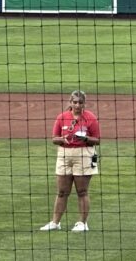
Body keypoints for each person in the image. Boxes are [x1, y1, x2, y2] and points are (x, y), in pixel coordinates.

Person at [40, 90, 100, 232]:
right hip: (64, 154)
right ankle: (55, 223)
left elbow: (97, 139)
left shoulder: (90, 118)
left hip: (85, 154)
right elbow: (54, 138)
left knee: (82, 191)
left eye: (80, 102)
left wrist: (85, 138)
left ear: (84, 103)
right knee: (62, 191)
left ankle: (82, 223)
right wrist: (62, 139)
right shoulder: (62, 117)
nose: (77, 105)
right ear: (70, 102)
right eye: (74, 102)